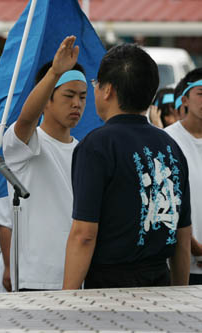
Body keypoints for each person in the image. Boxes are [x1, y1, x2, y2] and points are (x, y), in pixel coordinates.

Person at [63, 43, 192, 289]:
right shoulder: (171, 147)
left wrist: (65, 301)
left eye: (95, 84)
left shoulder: (96, 146)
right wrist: (179, 296)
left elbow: (84, 235)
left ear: (108, 90)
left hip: (109, 288)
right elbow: (182, 237)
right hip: (161, 286)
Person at [1, 36, 87, 291]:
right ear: (46, 100)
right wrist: (54, 73)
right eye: (69, 95)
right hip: (35, 278)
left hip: (77, 279)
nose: (77, 104)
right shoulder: (25, 144)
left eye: (82, 97)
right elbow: (26, 118)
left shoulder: (85, 150)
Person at [165, 68, 202, 286]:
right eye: (201, 93)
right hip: (180, 262)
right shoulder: (167, 139)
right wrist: (192, 244)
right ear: (185, 100)